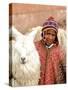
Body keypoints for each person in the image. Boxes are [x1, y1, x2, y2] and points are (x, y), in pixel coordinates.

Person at [35, 17, 66, 85]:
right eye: (48, 34)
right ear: (43, 33)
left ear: (56, 37)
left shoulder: (58, 50)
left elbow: (62, 69)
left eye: (53, 35)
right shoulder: (36, 47)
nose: (50, 37)